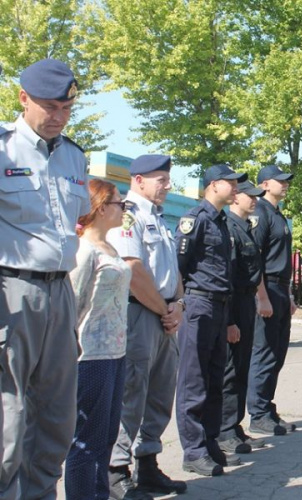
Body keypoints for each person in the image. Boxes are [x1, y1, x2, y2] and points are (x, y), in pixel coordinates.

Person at [0, 58, 89, 499]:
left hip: (60, 292)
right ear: (23, 98)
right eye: (49, 107)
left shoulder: (74, 155)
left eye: (65, 109)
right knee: (9, 418)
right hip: (12, 290)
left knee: (58, 416)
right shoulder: (3, 148)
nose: (57, 117)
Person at [107, 154, 186, 499]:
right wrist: (163, 310)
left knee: (159, 394)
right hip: (140, 315)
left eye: (168, 180)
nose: (167, 186)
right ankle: (116, 472)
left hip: (165, 316)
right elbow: (133, 269)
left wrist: (179, 305)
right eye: (161, 180)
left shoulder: (161, 219)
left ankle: (148, 463)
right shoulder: (128, 215)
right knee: (131, 395)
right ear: (138, 180)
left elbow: (173, 270)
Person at [175, 164, 247, 476]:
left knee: (216, 379)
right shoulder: (196, 219)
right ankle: (193, 451)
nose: (236, 188)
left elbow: (226, 274)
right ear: (214, 185)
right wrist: (179, 305)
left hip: (220, 306)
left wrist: (229, 319)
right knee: (194, 381)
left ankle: (210, 442)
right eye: (231, 183)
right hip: (198, 303)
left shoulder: (222, 222)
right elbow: (179, 265)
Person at [65, 180, 132, 500]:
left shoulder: (110, 246)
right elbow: (71, 308)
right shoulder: (84, 251)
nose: (124, 209)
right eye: (120, 204)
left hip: (115, 353)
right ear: (102, 207)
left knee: (106, 436)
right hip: (89, 356)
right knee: (86, 441)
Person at [247, 165, 298, 435]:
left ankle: (267, 406)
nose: (285, 184)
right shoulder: (260, 212)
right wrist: (262, 296)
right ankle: (258, 413)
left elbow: (282, 261)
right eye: (280, 181)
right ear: (265, 184)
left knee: (277, 354)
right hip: (266, 290)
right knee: (264, 353)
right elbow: (256, 259)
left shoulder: (278, 215)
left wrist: (288, 295)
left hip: (280, 290)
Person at [219, 180, 268, 454]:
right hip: (234, 302)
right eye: (251, 196)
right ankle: (224, 431)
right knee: (230, 370)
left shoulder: (246, 228)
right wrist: (228, 320)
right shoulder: (229, 227)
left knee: (242, 367)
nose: (255, 200)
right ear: (236, 198)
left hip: (247, 300)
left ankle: (235, 426)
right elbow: (226, 276)